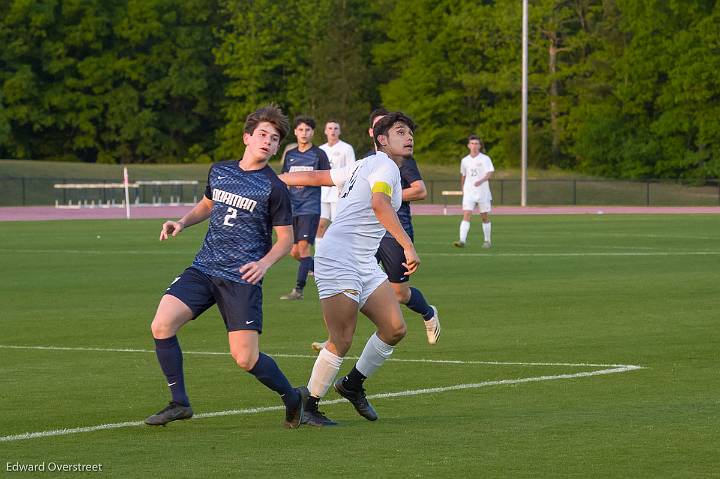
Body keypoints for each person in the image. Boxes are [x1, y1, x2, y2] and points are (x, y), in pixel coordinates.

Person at [145, 105, 308, 429]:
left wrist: (263, 264)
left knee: (245, 358)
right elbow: (208, 204)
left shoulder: (273, 187)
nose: (268, 141)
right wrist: (181, 222)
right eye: (262, 134)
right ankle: (179, 403)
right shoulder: (220, 171)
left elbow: (286, 239)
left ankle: (292, 397)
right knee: (161, 325)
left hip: (241, 278)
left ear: (277, 148)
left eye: (274, 139)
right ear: (247, 137)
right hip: (205, 268)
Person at [278, 112, 420, 426]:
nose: (408, 137)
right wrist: (407, 245)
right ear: (382, 139)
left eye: (410, 132)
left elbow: (318, 178)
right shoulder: (384, 165)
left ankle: (352, 385)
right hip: (338, 257)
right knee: (341, 338)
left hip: (363, 261)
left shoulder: (362, 164)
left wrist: (276, 179)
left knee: (394, 328)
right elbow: (380, 204)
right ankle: (309, 405)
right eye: (400, 131)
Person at [311, 108, 440, 351]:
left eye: (405, 131)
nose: (406, 136)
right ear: (375, 133)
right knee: (352, 281)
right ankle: (335, 339)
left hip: (393, 233)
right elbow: (323, 178)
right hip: (365, 234)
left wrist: (390, 196)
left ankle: (428, 312)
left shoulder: (400, 162)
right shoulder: (366, 162)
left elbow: (420, 190)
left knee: (399, 294)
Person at [279, 116, 331, 300]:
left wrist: (307, 181)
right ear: (295, 132)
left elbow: (328, 178)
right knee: (293, 252)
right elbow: (284, 178)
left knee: (303, 250)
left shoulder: (319, 155)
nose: (304, 133)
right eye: (300, 130)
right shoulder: (291, 155)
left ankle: (298, 291)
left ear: (313, 133)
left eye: (307, 130)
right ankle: (325, 272)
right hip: (292, 208)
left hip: (309, 208)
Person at [316, 120, 356, 246]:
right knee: (320, 225)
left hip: (338, 193)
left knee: (336, 227)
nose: (332, 131)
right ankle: (319, 256)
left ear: (339, 131)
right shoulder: (320, 149)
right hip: (322, 193)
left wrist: (346, 190)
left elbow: (351, 171)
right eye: (330, 128)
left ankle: (336, 255)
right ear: (325, 131)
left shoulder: (347, 148)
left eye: (335, 128)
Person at [454, 135, 494, 248]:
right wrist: (462, 188)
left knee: (484, 216)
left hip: (483, 192)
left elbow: (489, 173)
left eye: (476, 143)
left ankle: (487, 241)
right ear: (468, 145)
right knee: (466, 214)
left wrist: (481, 181)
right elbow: (463, 175)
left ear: (480, 146)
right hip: (469, 192)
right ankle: (462, 240)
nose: (474, 146)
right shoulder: (465, 160)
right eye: (472, 143)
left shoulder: (485, 159)